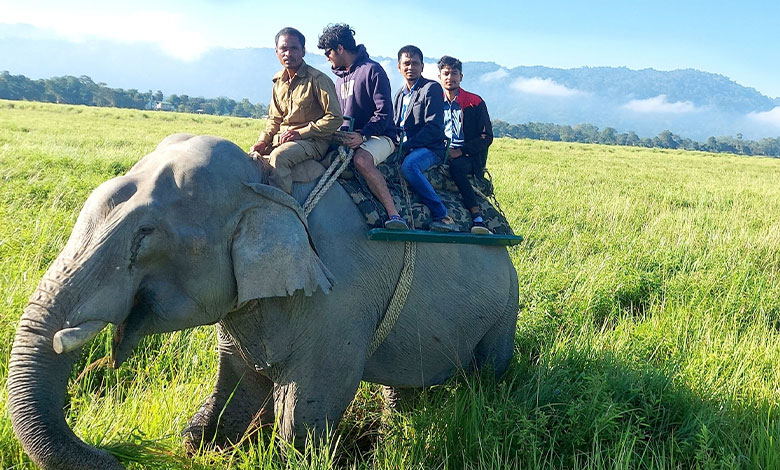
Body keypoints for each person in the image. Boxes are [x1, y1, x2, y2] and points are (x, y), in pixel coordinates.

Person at [317, 24, 407, 230]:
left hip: (380, 137)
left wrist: (363, 135)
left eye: (328, 52)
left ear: (340, 48)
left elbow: (384, 113)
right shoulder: (339, 80)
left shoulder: (373, 70)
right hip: (349, 136)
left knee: (362, 160)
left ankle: (394, 214)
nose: (327, 57)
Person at [250, 27, 342, 194]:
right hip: (283, 139)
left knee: (279, 158)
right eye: (284, 49)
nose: (288, 53)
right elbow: (275, 119)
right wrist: (263, 141)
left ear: (303, 51)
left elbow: (335, 118)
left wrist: (302, 132)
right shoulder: (278, 82)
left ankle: (282, 208)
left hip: (314, 141)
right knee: (250, 159)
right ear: (276, 51)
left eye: (294, 48)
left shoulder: (318, 80)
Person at [393, 45, 454, 232]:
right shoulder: (399, 94)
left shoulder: (431, 88)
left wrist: (408, 146)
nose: (410, 67)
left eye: (415, 63)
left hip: (430, 148)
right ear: (399, 67)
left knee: (409, 166)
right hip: (404, 145)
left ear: (422, 66)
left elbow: (434, 127)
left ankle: (441, 214)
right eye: (406, 63)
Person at [437, 55, 495, 234]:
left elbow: (487, 137)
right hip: (439, 150)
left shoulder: (474, 102)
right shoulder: (434, 101)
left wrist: (461, 151)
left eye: (454, 73)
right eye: (446, 73)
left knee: (456, 168)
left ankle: (477, 216)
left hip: (468, 156)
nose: (450, 77)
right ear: (439, 76)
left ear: (461, 77)